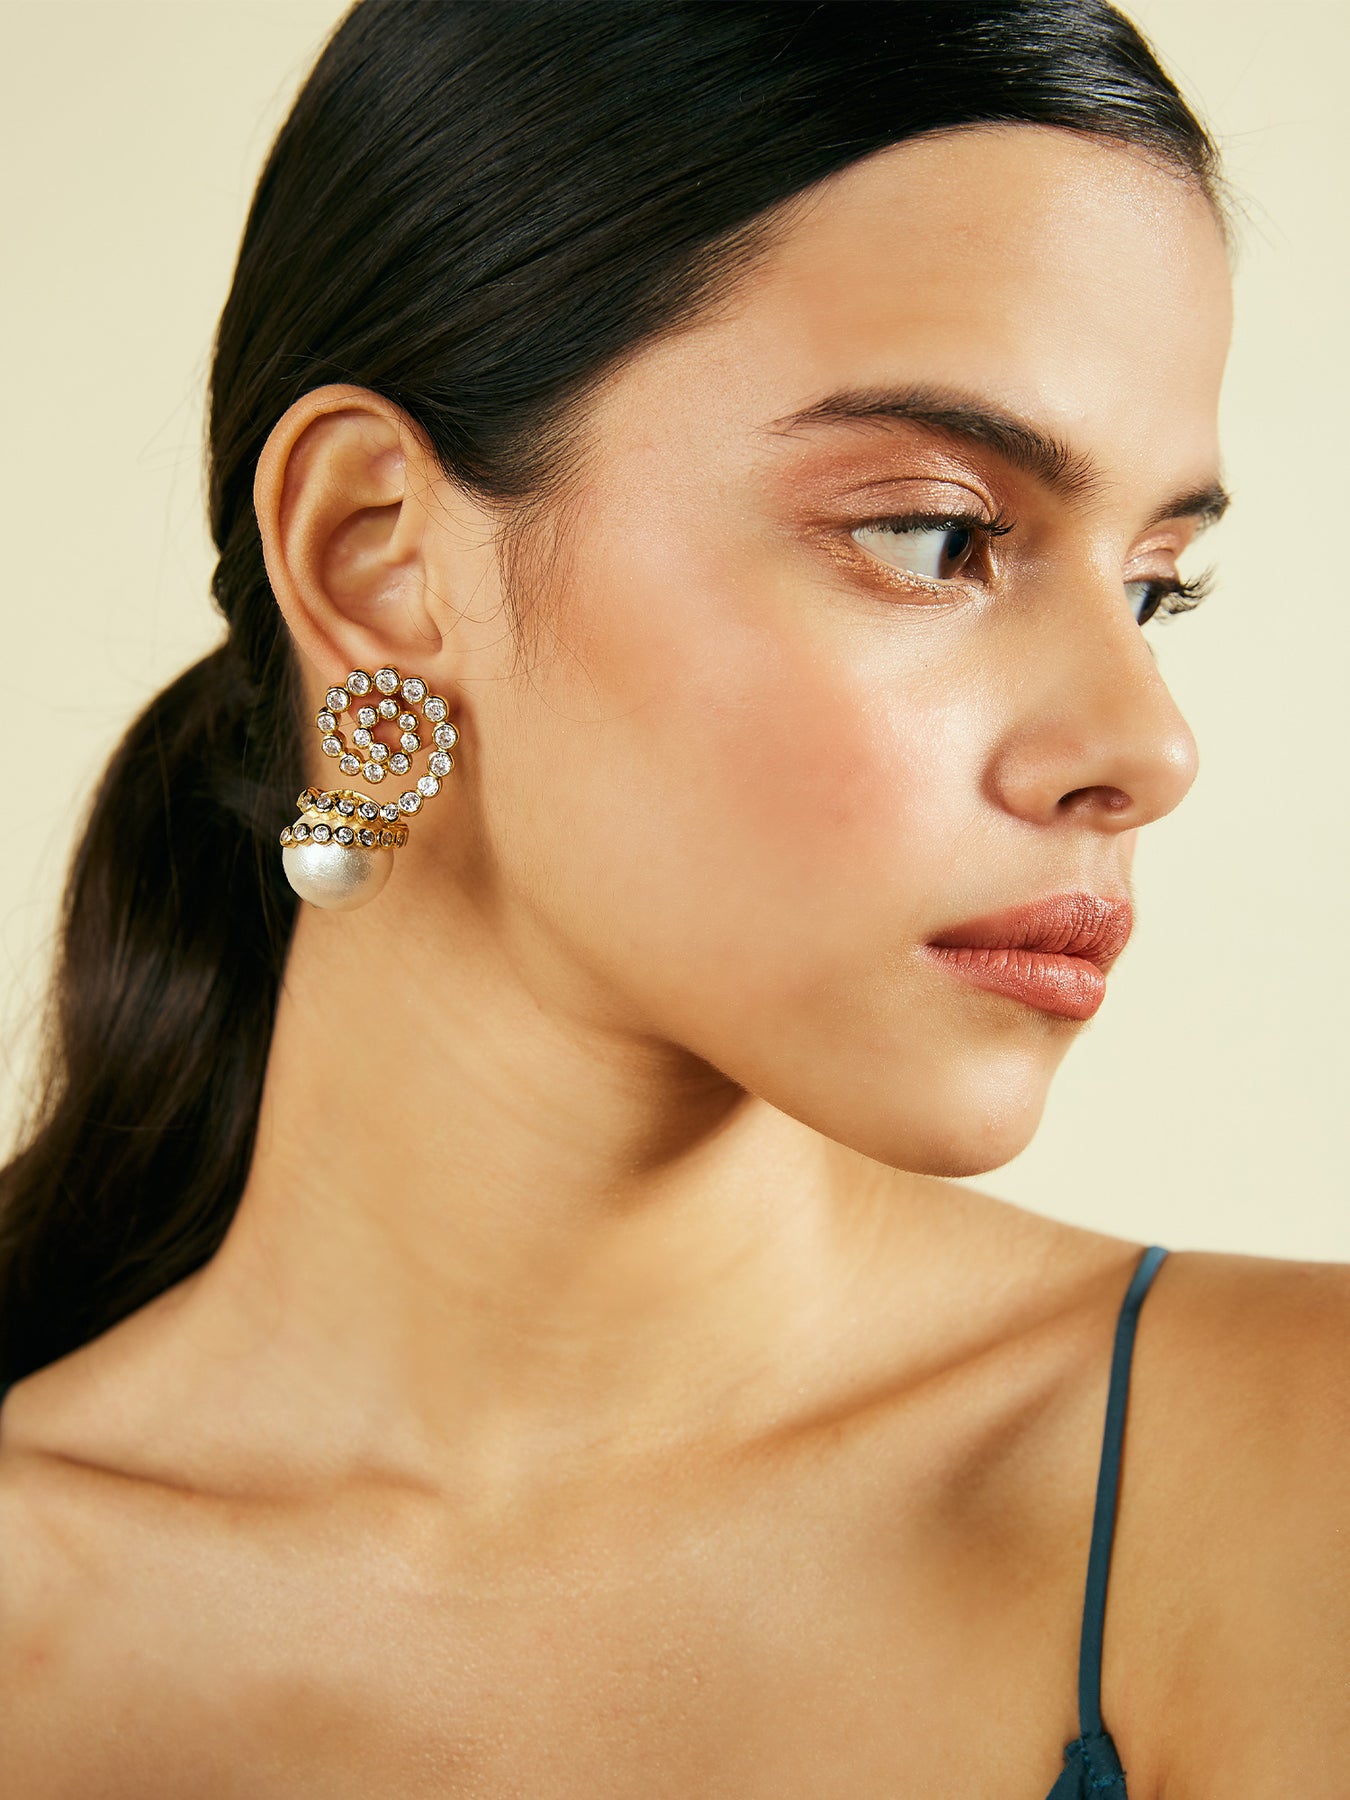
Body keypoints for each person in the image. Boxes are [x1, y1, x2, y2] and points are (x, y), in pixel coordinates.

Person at [0, 0, 1345, 1791]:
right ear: (379, 556)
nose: (1143, 747)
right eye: (935, 535)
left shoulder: (1293, 1481)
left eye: (1154, 584)